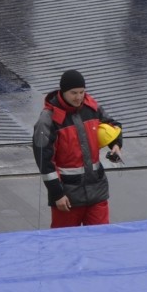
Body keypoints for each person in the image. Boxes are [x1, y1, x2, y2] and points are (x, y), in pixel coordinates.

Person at [33, 70, 123, 228]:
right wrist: (57, 194)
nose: (79, 97)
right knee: (65, 246)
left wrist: (116, 145)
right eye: (74, 93)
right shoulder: (47, 120)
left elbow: (113, 125)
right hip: (67, 199)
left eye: (82, 92)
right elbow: (44, 162)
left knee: (100, 243)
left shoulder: (92, 106)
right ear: (63, 92)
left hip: (97, 193)